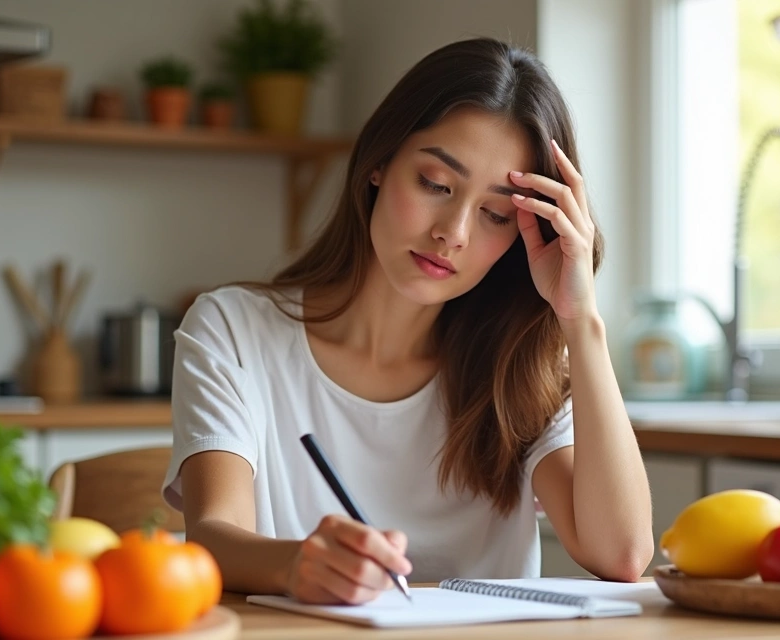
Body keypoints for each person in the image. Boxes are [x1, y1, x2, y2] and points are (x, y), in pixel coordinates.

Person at [162, 37, 654, 605]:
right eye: (435, 184)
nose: (454, 232)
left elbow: (622, 554)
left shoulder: (520, 367)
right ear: (379, 162)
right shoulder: (233, 331)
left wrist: (581, 319)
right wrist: (298, 565)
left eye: (496, 214)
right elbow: (213, 534)